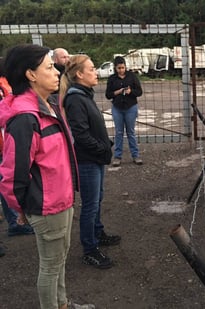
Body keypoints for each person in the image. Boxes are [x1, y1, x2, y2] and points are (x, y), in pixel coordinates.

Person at [0, 44, 93, 309]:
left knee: (59, 259)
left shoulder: (48, 105)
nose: (57, 72)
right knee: (50, 266)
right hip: (46, 206)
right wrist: (20, 208)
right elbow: (11, 176)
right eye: (49, 67)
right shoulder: (24, 119)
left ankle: (62, 304)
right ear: (30, 74)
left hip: (62, 200)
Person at [61, 54, 121, 269]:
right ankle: (90, 249)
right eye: (92, 68)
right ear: (79, 74)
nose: (96, 72)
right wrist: (102, 148)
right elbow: (81, 134)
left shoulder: (84, 95)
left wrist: (106, 144)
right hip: (88, 160)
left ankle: (98, 232)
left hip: (96, 157)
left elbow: (92, 128)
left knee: (98, 199)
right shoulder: (75, 98)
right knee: (90, 204)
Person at [0, 57, 35, 237]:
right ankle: (15, 221)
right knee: (8, 180)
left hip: (5, 142)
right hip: (4, 142)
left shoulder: (6, 84)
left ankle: (15, 221)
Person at [105, 56, 143, 167]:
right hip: (117, 107)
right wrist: (118, 92)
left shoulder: (132, 76)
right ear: (115, 68)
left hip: (130, 107)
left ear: (125, 66)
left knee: (131, 132)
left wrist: (131, 91)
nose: (121, 70)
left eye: (123, 67)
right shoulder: (112, 79)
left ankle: (135, 155)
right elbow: (108, 95)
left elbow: (139, 92)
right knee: (119, 132)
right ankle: (117, 156)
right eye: (119, 68)